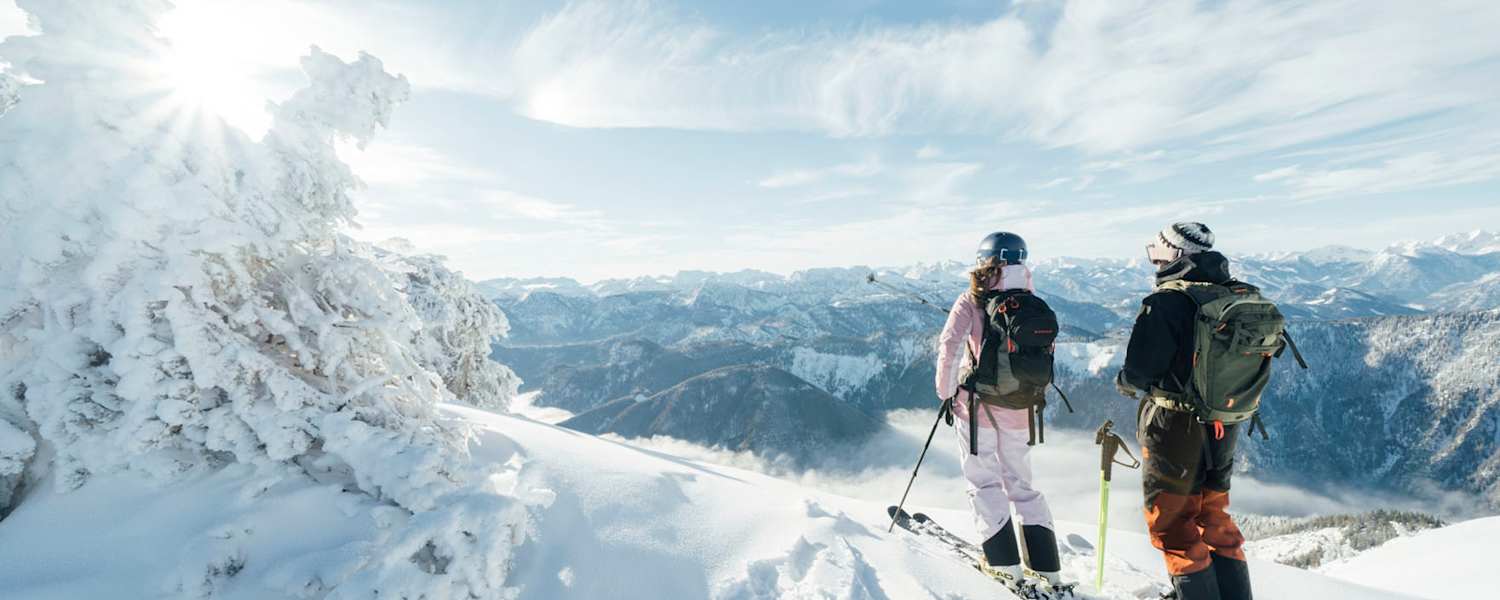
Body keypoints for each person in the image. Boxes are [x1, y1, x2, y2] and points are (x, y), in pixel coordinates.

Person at [1114, 222, 1254, 600]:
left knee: (1173, 524)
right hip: (1226, 422)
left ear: (1176, 255)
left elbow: (1141, 369)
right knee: (1215, 518)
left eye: (1157, 253)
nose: (1154, 262)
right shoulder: (1232, 294)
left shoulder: (1167, 301)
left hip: (1175, 426)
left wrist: (1125, 382)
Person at [935, 231, 1066, 593]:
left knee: (984, 481)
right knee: (1022, 485)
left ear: (983, 261)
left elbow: (949, 346)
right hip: (1022, 408)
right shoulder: (1034, 302)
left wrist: (946, 391)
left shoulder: (972, 300)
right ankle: (1047, 569)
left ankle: (1004, 564)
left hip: (978, 409)